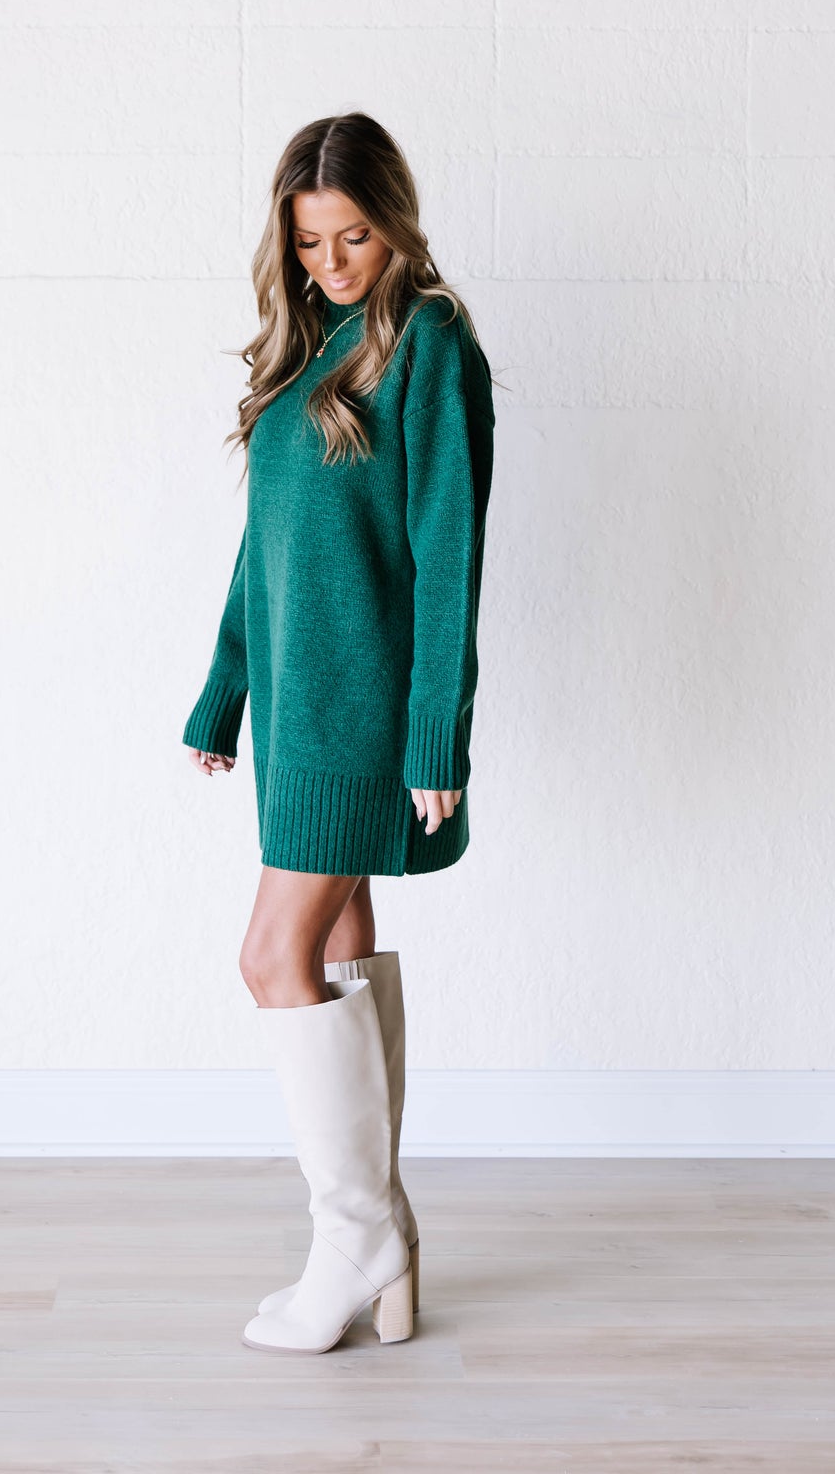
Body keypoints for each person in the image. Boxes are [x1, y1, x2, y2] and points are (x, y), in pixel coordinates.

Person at [181, 110, 497, 1354]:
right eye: (309, 242)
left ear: (395, 221)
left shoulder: (430, 346)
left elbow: (447, 557)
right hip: (299, 714)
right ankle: (376, 1241)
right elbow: (267, 557)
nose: (330, 263)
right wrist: (222, 691)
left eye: (352, 235)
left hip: (365, 716)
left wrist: (435, 736)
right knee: (336, 948)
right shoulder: (305, 357)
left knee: (271, 953)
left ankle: (354, 1233)